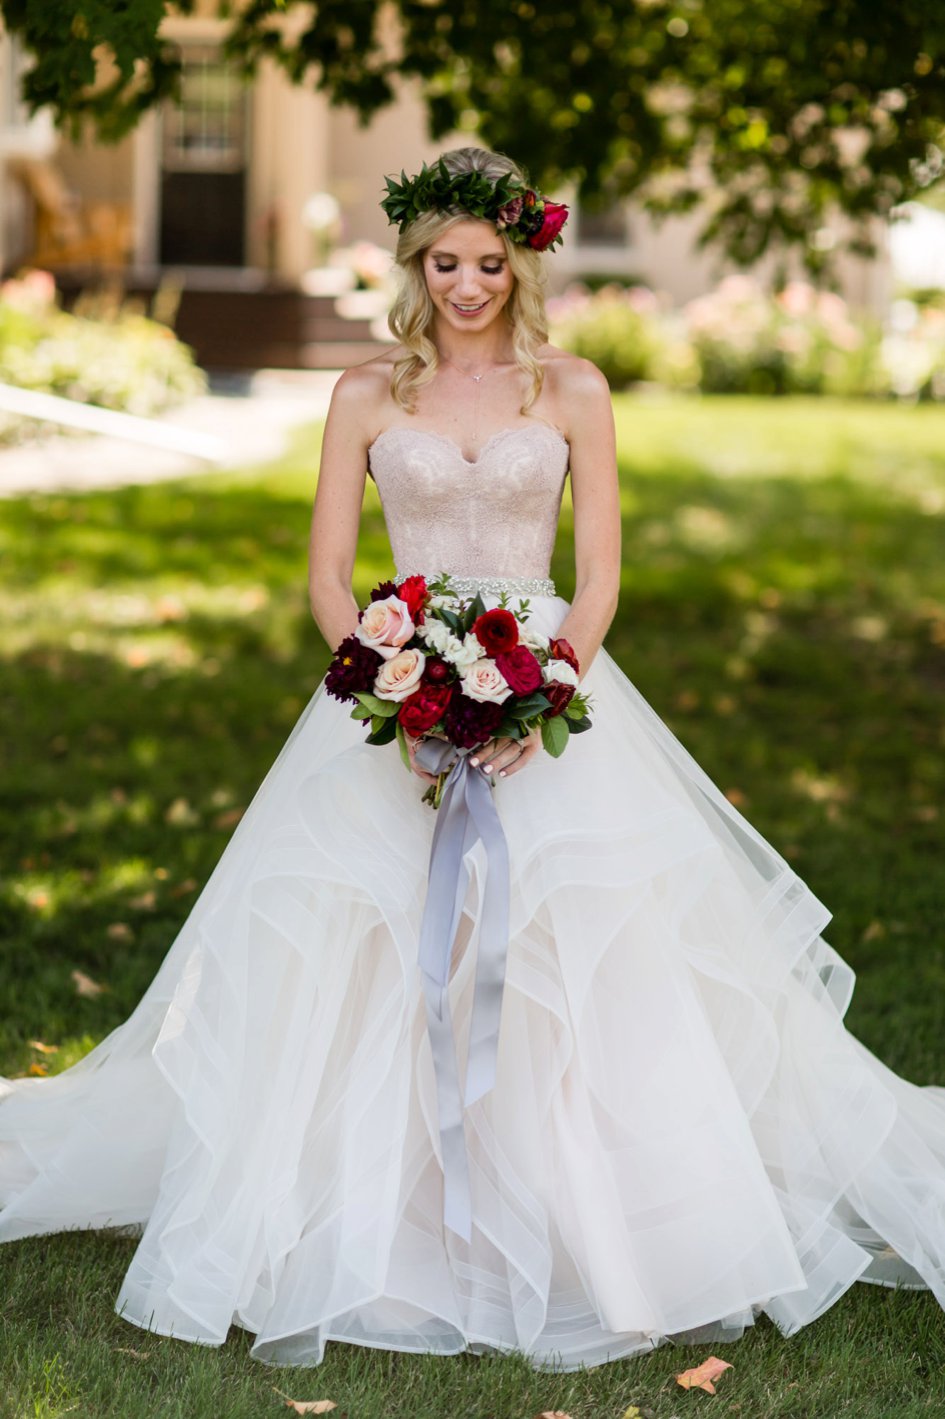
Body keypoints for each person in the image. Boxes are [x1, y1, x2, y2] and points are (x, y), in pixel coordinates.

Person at [0, 146, 943, 1376]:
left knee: (574, 958)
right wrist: (393, 688)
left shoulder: (575, 391)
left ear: (523, 262)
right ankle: (380, 1219)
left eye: (490, 263)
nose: (466, 285)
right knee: (368, 954)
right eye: (444, 263)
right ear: (414, 264)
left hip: (545, 702)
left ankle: (589, 1225)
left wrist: (537, 693)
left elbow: (597, 575)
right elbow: (328, 576)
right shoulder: (363, 398)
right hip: (391, 701)